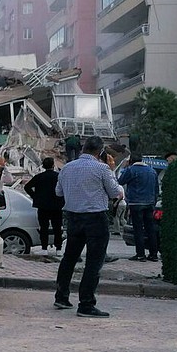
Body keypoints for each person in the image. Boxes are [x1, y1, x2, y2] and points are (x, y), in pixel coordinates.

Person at [54, 136, 122, 318]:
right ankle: (86, 303)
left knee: (69, 258)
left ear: (83, 149)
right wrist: (112, 171)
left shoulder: (67, 168)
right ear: (100, 152)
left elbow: (58, 192)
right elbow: (116, 192)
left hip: (73, 217)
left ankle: (61, 296)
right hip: (95, 218)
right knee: (94, 262)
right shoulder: (102, 169)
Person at [118, 153, 160, 262]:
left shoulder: (131, 170)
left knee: (138, 229)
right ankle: (153, 254)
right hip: (150, 203)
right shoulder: (152, 171)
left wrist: (124, 167)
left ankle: (140, 254)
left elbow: (120, 181)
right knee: (150, 229)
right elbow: (156, 189)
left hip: (136, 203)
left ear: (131, 161)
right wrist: (153, 201)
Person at [24, 157, 64, 254]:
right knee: (57, 227)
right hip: (56, 206)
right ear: (53, 166)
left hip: (42, 206)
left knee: (44, 227)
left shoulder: (39, 177)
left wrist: (35, 197)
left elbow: (27, 187)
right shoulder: (58, 177)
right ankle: (58, 248)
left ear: (43, 166)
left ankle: (44, 248)